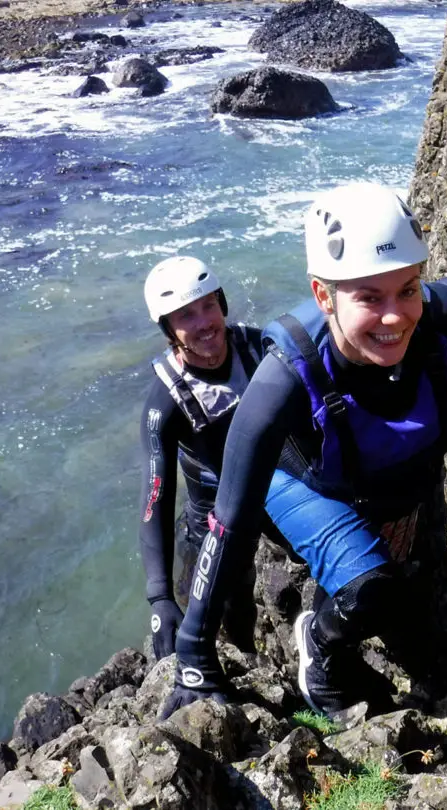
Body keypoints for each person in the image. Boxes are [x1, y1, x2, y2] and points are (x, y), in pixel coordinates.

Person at [160, 182, 447, 718]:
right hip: (309, 484)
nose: (396, 316)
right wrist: (193, 650)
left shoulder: (431, 310)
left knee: (420, 610)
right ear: (323, 295)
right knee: (372, 589)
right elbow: (229, 516)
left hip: (399, 482)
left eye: (407, 288)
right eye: (368, 297)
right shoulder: (282, 379)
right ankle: (318, 643)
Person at [138, 255, 265, 661]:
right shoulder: (166, 401)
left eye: (209, 305)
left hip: (275, 504)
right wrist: (159, 597)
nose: (204, 322)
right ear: (168, 329)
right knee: (228, 624)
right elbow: (156, 496)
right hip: (211, 529)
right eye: (186, 315)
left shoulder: (258, 349)